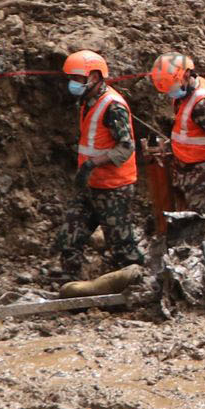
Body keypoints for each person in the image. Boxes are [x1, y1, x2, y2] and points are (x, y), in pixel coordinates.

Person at [56, 49, 146, 283]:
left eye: (78, 79)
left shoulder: (113, 106)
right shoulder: (87, 101)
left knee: (121, 246)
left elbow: (125, 147)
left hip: (114, 188)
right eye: (72, 79)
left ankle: (136, 285)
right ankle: (69, 281)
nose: (73, 84)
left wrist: (93, 163)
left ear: (94, 77)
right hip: (90, 185)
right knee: (70, 234)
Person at [147, 52, 205, 215]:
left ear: (187, 74)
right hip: (188, 174)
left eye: (172, 86)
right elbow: (189, 132)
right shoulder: (184, 94)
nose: (170, 92)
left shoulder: (203, 104)